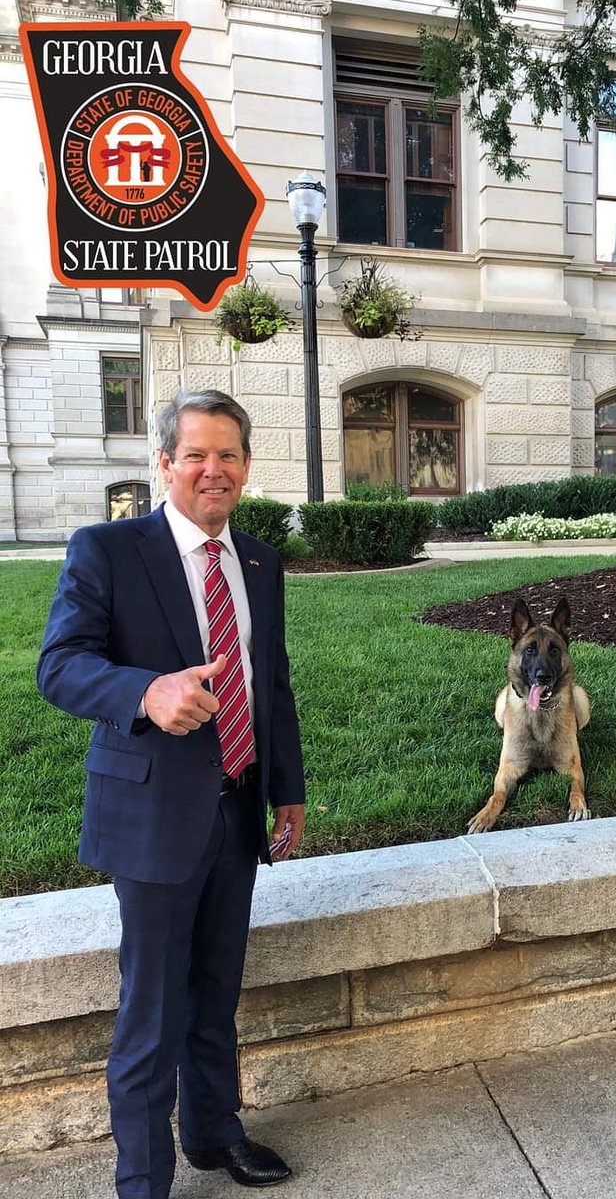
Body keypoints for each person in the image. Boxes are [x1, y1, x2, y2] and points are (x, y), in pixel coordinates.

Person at [38, 390, 306, 1197]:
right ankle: (143, 1179)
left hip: (236, 805)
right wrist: (147, 692)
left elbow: (271, 682)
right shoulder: (108, 550)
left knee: (217, 989)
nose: (212, 471)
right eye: (195, 455)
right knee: (151, 1013)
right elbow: (59, 666)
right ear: (164, 465)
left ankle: (215, 1135)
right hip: (153, 815)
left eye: (228, 455)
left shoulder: (258, 560)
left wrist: (285, 789)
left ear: (247, 467)